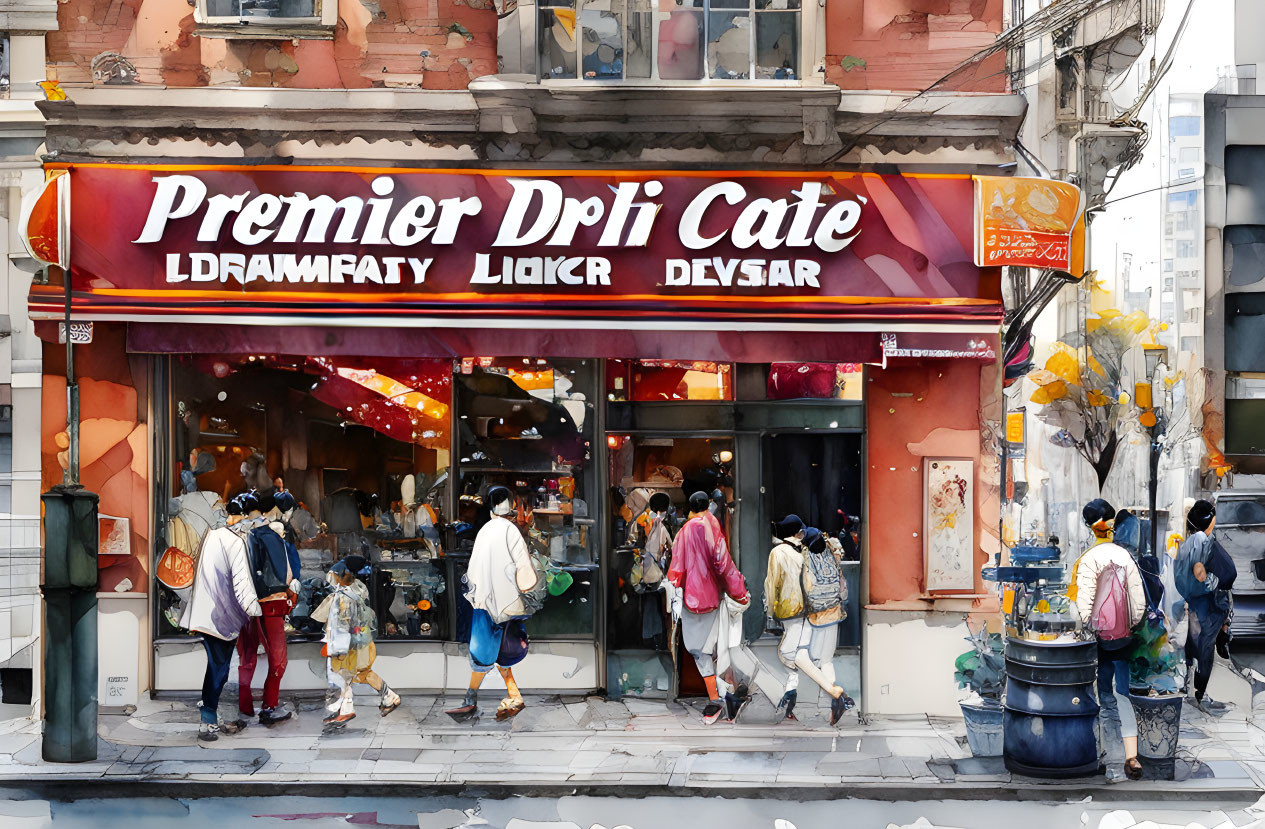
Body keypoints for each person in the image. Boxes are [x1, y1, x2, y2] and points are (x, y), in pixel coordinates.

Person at [445, 486, 538, 722]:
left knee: (486, 653)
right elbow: (525, 571)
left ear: (490, 509)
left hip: (485, 603)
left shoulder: (485, 531)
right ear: (511, 509)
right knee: (500, 652)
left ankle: (472, 699)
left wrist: (476, 597)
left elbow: (473, 571)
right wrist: (526, 592)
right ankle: (503, 696)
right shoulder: (512, 531)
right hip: (507, 604)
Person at [1070, 499, 1147, 781]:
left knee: (1102, 697)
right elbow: (1138, 603)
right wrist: (1129, 625)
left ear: (1091, 528)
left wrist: (1092, 629)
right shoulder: (1126, 557)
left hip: (1099, 641)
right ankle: (1131, 757)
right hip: (1123, 638)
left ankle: (1103, 756)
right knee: (1123, 695)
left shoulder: (1088, 559)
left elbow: (1083, 604)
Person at [667, 490, 749, 725]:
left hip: (693, 601)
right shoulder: (714, 526)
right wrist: (739, 591)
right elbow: (724, 564)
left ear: (691, 508)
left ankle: (719, 698)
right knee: (716, 648)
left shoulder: (685, 531)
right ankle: (730, 693)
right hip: (714, 598)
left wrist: (673, 593)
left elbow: (677, 568)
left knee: (698, 650)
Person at [179, 523, 261, 742]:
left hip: (204, 613)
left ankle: (210, 710)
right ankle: (208, 718)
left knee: (217, 667)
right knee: (220, 670)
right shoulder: (236, 542)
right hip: (223, 618)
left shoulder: (210, 535)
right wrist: (255, 611)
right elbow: (242, 584)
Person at [236, 489, 302, 726]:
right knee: (278, 660)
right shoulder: (271, 535)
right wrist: (291, 590)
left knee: (247, 655)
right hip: (270, 603)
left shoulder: (239, 532)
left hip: (244, 603)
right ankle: (269, 707)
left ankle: (245, 706)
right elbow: (286, 574)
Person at [314, 557, 401, 729]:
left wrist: (338, 648)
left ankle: (346, 710)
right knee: (362, 674)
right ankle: (390, 697)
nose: (330, 577)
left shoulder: (344, 596)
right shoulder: (358, 589)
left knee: (342, 675)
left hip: (348, 645)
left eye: (333, 573)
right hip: (363, 643)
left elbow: (344, 625)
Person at [1176, 499, 1237, 714]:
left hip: (1201, 602)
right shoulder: (1204, 543)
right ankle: (1198, 695)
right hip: (1210, 602)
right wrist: (1213, 583)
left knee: (1195, 645)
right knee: (1203, 648)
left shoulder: (1192, 543)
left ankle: (1194, 691)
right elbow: (1217, 573)